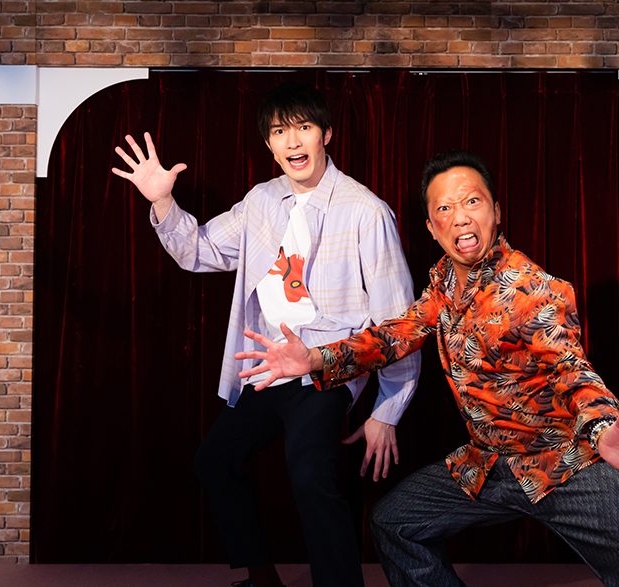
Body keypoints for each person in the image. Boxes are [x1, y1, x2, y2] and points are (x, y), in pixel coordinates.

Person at [236, 150, 619, 586]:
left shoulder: (535, 290)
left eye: (472, 202)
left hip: (566, 463)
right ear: (432, 227)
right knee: (395, 523)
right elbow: (395, 335)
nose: (460, 217)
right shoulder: (444, 281)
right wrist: (315, 358)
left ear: (495, 211)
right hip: (490, 463)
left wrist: (601, 427)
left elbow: (571, 370)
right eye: (445, 208)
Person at [111, 82, 420, 587]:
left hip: (324, 368)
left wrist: (388, 411)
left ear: (326, 135)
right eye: (279, 132)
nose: (292, 142)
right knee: (215, 461)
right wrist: (164, 201)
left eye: (304, 128)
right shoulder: (261, 200)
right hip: (269, 366)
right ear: (269, 144)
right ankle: (262, 579)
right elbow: (201, 251)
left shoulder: (366, 211)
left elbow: (398, 325)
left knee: (311, 475)